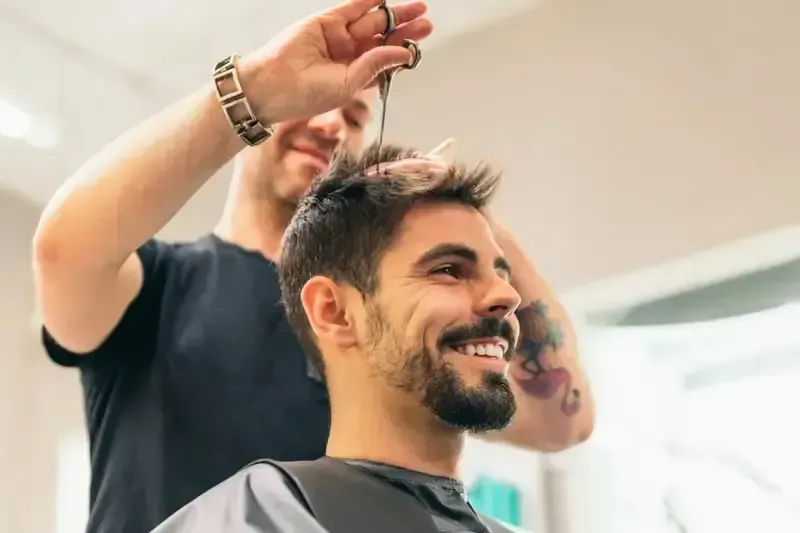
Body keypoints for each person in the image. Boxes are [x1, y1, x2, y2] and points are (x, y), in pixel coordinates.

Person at [32, 1, 591, 532]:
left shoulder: (390, 318)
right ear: (327, 310)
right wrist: (253, 92)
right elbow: (62, 249)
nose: (330, 126)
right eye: (309, 103)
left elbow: (563, 420)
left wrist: (463, 214)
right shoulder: (161, 282)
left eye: (354, 116)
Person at [152, 144, 531, 533]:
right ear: (333, 311)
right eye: (449, 270)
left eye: (502, 275)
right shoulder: (249, 515)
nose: (508, 296)